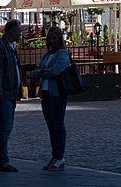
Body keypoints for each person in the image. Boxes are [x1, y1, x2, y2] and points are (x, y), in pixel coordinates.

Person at [33, 26, 71, 172]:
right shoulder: (47, 54)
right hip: (46, 93)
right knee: (51, 126)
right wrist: (43, 72)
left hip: (57, 93)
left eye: (54, 38)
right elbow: (37, 70)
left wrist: (43, 72)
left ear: (59, 39)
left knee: (58, 124)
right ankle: (54, 156)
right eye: (50, 38)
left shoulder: (62, 54)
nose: (52, 41)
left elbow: (55, 70)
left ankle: (60, 157)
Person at [0, 19, 22, 172]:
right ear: (11, 31)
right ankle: (2, 160)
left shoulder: (11, 47)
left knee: (6, 127)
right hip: (4, 93)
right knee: (5, 127)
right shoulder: (0, 46)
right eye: (18, 30)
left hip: (11, 92)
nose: (20, 33)